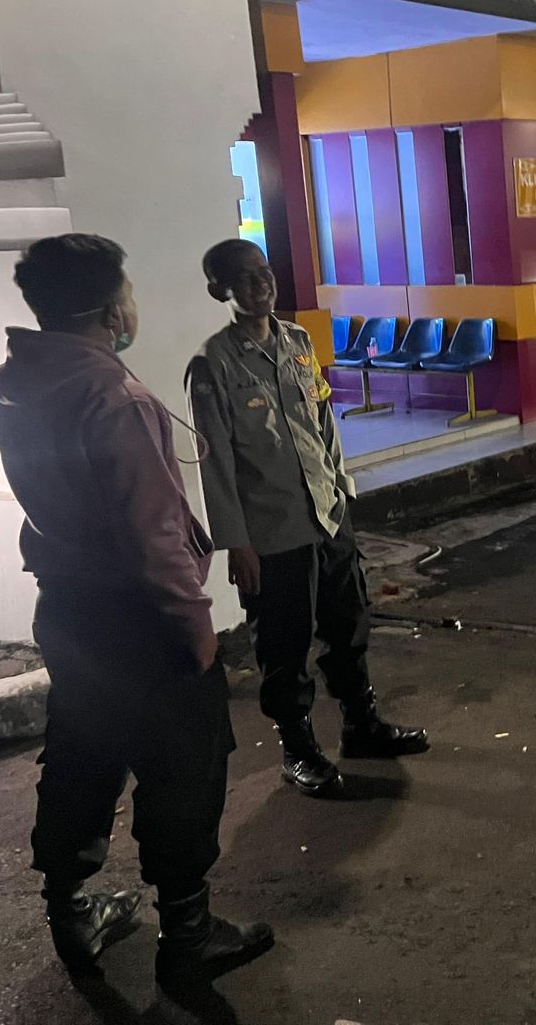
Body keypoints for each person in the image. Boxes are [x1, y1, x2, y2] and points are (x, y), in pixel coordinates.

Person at [0, 234, 272, 986]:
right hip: (139, 618)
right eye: (131, 293)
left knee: (81, 755)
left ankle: (71, 912)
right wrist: (198, 631)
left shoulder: (16, 384)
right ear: (113, 310)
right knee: (184, 769)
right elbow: (154, 538)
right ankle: (188, 936)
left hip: (69, 610)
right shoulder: (115, 399)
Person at [187, 240, 427, 799]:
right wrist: (236, 543)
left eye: (264, 272)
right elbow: (214, 464)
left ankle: (360, 724)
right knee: (284, 645)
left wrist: (341, 489)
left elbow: (323, 423)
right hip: (272, 535)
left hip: (326, 517)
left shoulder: (296, 342)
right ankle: (297, 750)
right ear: (219, 290)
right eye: (244, 278)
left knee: (348, 626)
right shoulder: (213, 364)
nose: (260, 284)